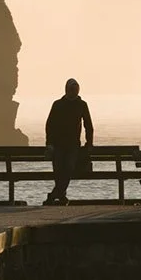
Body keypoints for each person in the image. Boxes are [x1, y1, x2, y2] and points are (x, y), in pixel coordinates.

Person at [43, 77, 95, 205]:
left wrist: (89, 142)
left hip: (72, 145)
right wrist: (49, 143)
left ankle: (54, 195)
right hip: (59, 144)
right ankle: (60, 195)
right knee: (59, 169)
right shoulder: (58, 104)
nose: (74, 91)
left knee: (68, 168)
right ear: (67, 90)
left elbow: (88, 125)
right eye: (72, 89)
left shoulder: (81, 104)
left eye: (75, 89)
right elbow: (50, 125)